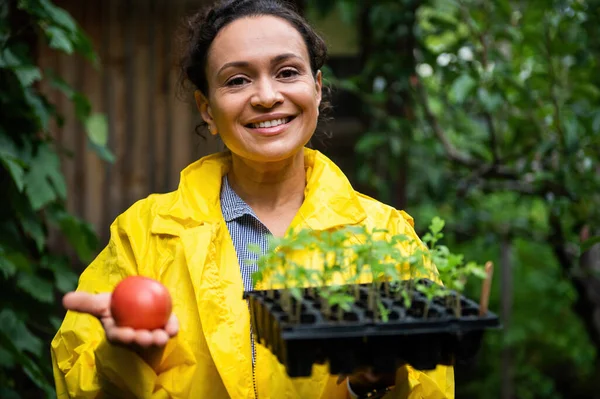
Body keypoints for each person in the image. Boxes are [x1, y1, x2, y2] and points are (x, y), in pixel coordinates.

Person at [51, 0, 454, 398]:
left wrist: (366, 384)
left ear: (316, 88)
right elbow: (75, 380)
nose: (266, 96)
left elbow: (431, 388)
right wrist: (124, 358)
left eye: (287, 72)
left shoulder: (386, 237)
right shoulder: (144, 235)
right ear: (206, 109)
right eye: (237, 80)